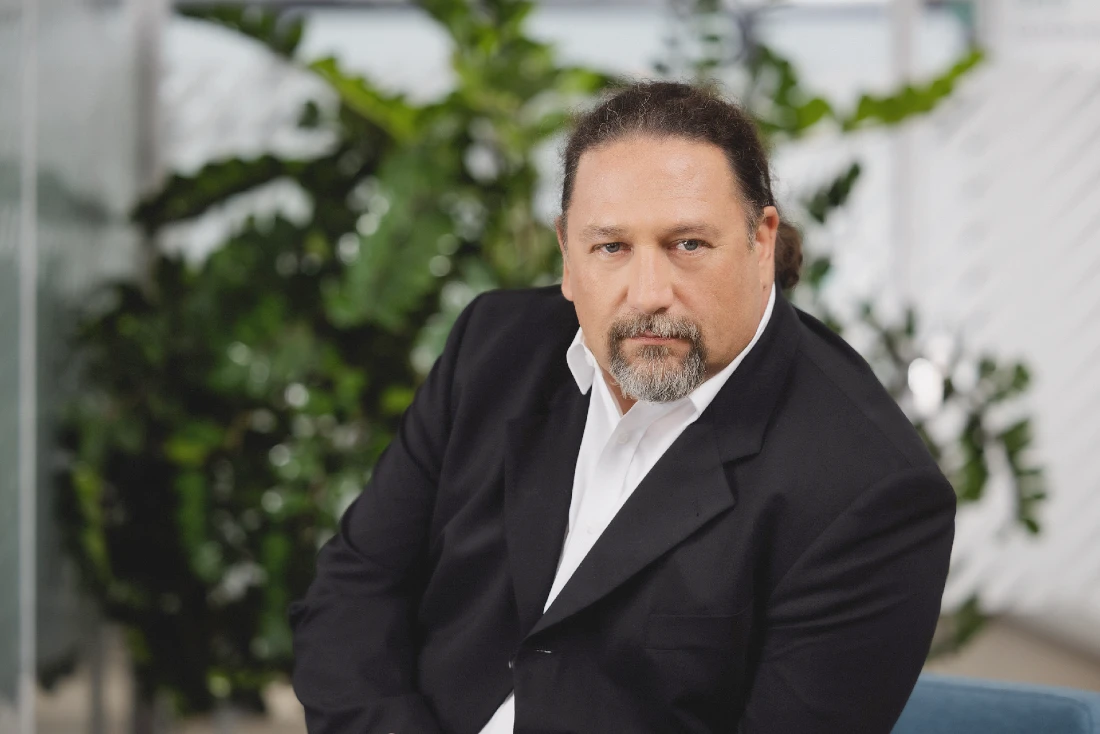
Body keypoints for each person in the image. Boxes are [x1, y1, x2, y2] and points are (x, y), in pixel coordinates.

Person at [289, 81, 956, 734]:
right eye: (611, 247)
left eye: (687, 245)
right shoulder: (494, 349)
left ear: (761, 242)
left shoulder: (870, 489)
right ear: (567, 257)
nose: (648, 293)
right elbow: (352, 593)